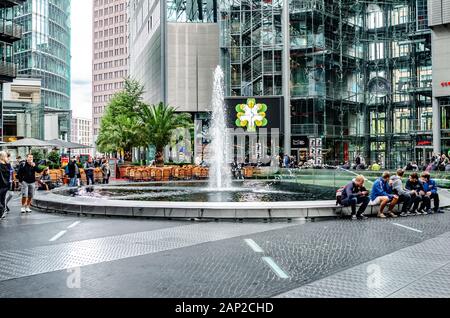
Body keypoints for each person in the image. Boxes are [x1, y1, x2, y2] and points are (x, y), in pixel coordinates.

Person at [0, 151, 11, 219]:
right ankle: (2, 213)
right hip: (4, 185)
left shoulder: (5, 164)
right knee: (2, 199)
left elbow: (6, 174)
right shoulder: (6, 164)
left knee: (2, 199)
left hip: (3, 185)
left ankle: (2, 212)